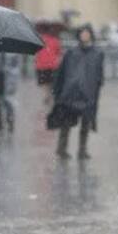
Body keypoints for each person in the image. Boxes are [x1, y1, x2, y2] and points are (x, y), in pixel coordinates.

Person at [47, 24, 104, 160]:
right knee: (66, 123)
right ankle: (62, 149)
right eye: (82, 33)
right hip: (71, 93)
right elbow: (62, 72)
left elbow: (98, 74)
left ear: (91, 35)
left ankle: (82, 150)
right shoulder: (71, 53)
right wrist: (59, 90)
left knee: (85, 123)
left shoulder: (97, 54)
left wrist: (96, 87)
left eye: (87, 33)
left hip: (88, 94)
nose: (85, 35)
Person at [35, 30, 63, 103]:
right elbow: (59, 52)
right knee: (51, 82)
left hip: (41, 65)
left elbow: (35, 51)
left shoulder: (39, 39)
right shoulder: (55, 40)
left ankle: (46, 95)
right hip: (52, 65)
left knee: (44, 82)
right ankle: (49, 94)